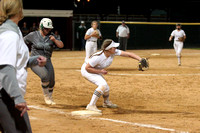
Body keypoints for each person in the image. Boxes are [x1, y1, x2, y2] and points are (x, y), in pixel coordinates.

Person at [0, 0, 46, 132]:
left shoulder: (14, 31)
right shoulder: (9, 34)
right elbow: (5, 68)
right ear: (18, 10)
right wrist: (17, 98)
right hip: (5, 95)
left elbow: (15, 60)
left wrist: (33, 60)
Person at [81, 39, 142, 112]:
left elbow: (128, 54)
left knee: (106, 88)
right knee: (102, 85)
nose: (115, 48)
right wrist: (100, 71)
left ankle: (106, 102)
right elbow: (87, 68)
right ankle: (91, 105)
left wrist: (140, 59)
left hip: (95, 69)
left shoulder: (113, 52)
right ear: (109, 49)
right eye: (114, 47)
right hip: (87, 71)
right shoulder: (98, 57)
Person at [24, 18, 64, 105]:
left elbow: (61, 45)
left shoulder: (52, 36)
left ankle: (50, 96)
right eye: (46, 28)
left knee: (52, 80)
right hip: (36, 61)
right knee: (45, 76)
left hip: (47, 60)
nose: (48, 30)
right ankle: (46, 97)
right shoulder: (33, 35)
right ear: (41, 27)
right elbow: (22, 41)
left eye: (49, 28)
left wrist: (54, 40)